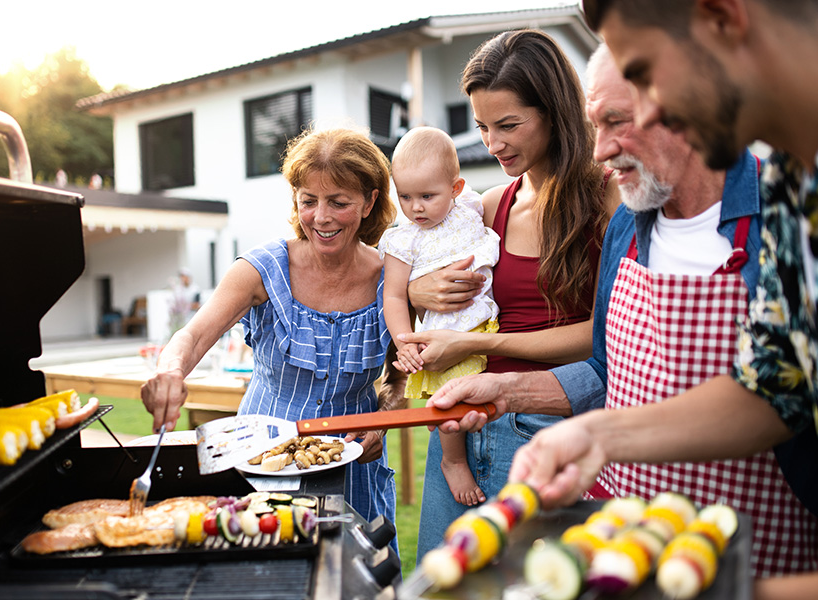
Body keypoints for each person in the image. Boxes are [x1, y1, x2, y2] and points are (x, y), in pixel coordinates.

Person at [439, 1, 818, 596]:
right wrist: (532, 402)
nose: (598, 150)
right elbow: (771, 383)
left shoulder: (776, 205)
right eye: (597, 125)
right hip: (630, 543)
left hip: (763, 546)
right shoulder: (632, 226)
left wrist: (734, 588)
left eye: (631, 100)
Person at [406, 29, 621, 560]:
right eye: (481, 126)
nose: (492, 143)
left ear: (553, 112)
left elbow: (609, 337)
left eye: (508, 125)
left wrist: (484, 349)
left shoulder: (606, 196)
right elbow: (417, 267)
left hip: (543, 430)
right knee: (439, 584)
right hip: (458, 426)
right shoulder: (488, 205)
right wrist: (416, 288)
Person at [140, 127, 405, 551]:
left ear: (370, 201)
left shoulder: (392, 279)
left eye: (339, 202)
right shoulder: (262, 269)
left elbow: (399, 378)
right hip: (261, 461)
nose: (321, 217)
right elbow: (190, 336)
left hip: (355, 470)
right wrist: (170, 371)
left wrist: (381, 424)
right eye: (308, 201)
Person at [378, 126, 500, 506]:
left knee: (481, 405)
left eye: (427, 196)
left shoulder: (472, 208)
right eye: (405, 196)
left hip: (487, 323)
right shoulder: (404, 239)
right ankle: (453, 460)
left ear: (456, 188)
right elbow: (394, 297)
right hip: (444, 331)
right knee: (448, 400)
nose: (415, 208)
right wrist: (404, 342)